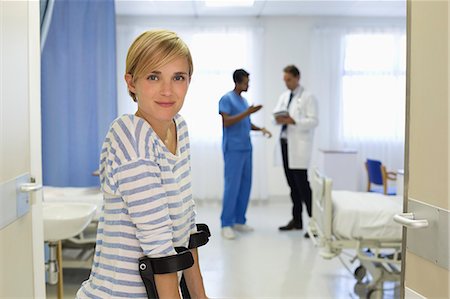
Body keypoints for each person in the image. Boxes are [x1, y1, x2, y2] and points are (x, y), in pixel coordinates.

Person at [76, 30, 208, 299]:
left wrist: (201, 297)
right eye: (153, 76)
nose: (167, 90)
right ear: (131, 82)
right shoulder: (129, 133)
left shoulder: (178, 127)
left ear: (189, 82)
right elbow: (158, 246)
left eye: (178, 77)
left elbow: (186, 224)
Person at [218, 69, 272, 240]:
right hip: (233, 148)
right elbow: (226, 122)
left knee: (245, 185)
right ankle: (226, 223)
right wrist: (248, 112)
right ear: (238, 82)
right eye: (246, 81)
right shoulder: (226, 99)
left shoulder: (243, 101)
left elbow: (246, 123)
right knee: (232, 186)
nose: (248, 84)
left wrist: (261, 129)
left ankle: (239, 220)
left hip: (246, 148)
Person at [273, 65, 318, 236]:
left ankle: (315, 224)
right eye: (284, 80)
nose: (286, 83)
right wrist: (278, 119)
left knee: (303, 187)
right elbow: (274, 115)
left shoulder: (308, 97)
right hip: (285, 145)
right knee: (292, 185)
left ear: (297, 77)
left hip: (299, 147)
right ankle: (297, 220)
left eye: (289, 80)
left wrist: (294, 121)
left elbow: (314, 121)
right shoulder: (285, 96)